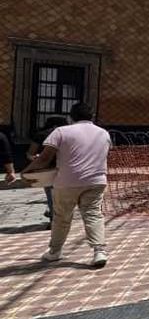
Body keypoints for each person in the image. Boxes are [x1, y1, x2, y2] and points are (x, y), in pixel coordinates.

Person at [23, 103, 112, 268]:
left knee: (61, 217)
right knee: (93, 215)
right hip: (96, 181)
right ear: (92, 116)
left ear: (71, 117)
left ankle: (55, 252)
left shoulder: (61, 132)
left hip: (66, 182)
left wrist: (25, 172)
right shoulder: (103, 133)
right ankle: (99, 251)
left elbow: (43, 158)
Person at [27, 117, 69, 224]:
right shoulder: (69, 135)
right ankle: (60, 217)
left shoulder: (41, 135)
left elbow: (30, 154)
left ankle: (54, 220)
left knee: (51, 195)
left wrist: (36, 158)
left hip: (47, 169)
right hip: (67, 168)